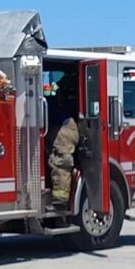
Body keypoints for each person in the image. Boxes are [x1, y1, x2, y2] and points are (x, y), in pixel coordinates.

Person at [47, 73, 80, 208]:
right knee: (55, 159)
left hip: (65, 128)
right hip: (61, 126)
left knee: (61, 161)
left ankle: (60, 201)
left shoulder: (58, 101)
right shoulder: (59, 100)